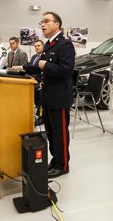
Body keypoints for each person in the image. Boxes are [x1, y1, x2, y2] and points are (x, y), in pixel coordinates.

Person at [26, 12, 75, 178]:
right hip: (48, 96)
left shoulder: (65, 45)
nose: (42, 25)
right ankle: (55, 161)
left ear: (57, 24)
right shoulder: (49, 44)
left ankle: (63, 165)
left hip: (59, 97)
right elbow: (40, 66)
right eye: (41, 22)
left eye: (46, 21)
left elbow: (66, 71)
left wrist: (46, 65)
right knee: (51, 133)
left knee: (60, 133)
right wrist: (23, 68)